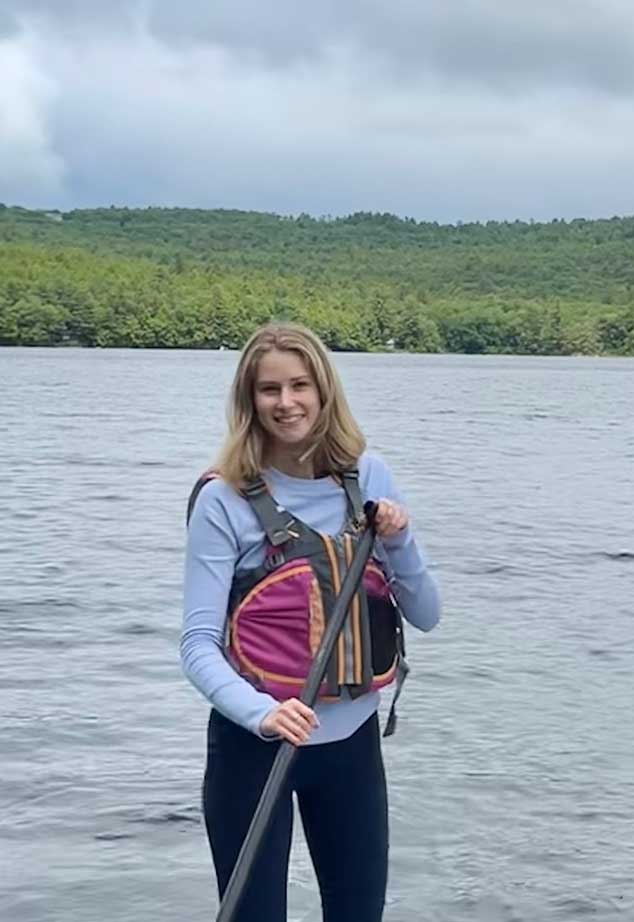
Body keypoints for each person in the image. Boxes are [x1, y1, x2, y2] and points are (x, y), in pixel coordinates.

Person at [182, 321, 441, 921]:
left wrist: (399, 541)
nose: (286, 402)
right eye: (269, 389)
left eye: (300, 385)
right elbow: (196, 645)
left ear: (324, 393)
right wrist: (262, 712)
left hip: (350, 747)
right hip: (254, 748)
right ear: (249, 400)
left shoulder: (369, 478)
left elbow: (428, 614)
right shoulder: (223, 500)